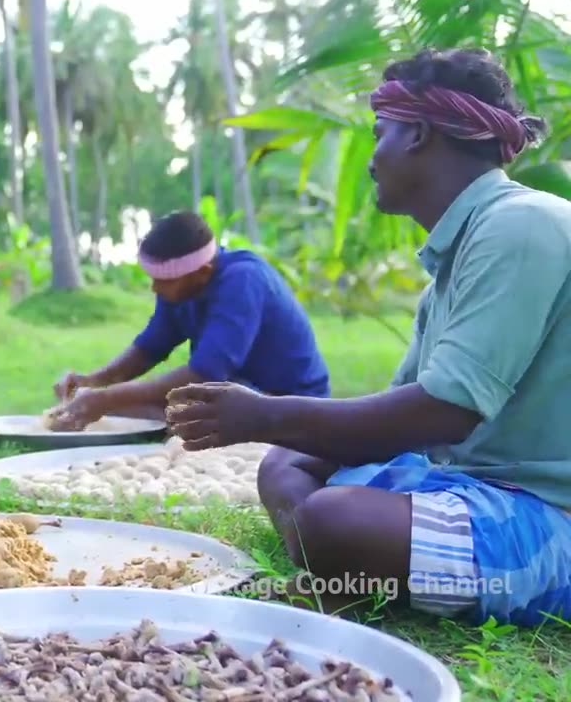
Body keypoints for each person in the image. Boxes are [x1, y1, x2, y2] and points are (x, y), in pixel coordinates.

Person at [165, 47, 571, 627]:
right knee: (285, 467)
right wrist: (280, 433)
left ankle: (342, 562)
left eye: (382, 134)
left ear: (418, 135)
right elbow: (396, 426)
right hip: (464, 486)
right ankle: (345, 568)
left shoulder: (522, 224)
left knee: (335, 517)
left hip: (546, 514)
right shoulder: (454, 265)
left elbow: (444, 414)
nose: (372, 157)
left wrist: (264, 416)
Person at [47, 210, 329, 431]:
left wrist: (105, 400)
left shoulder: (243, 280)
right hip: (235, 394)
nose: (155, 288)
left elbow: (204, 375)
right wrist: (93, 383)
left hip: (290, 404)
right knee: (129, 412)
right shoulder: (178, 289)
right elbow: (148, 349)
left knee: (144, 414)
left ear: (203, 272)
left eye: (162, 281)